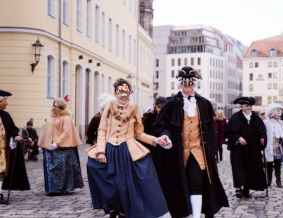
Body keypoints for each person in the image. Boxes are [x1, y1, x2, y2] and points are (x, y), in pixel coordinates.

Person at [87, 78, 171, 218]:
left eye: (127, 92)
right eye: (120, 91)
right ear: (115, 92)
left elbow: (139, 133)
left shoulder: (134, 108)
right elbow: (101, 130)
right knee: (94, 167)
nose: (123, 95)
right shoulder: (109, 106)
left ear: (130, 92)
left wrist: (156, 140)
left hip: (128, 150)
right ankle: (113, 207)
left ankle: (126, 211)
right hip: (110, 149)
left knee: (129, 183)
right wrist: (101, 151)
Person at [154, 66, 228, 218]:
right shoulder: (170, 104)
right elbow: (161, 126)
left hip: (198, 151)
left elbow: (211, 130)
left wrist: (212, 151)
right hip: (177, 153)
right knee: (178, 184)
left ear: (194, 84)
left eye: (190, 84)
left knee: (197, 182)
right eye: (185, 85)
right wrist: (165, 135)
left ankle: (196, 215)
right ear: (180, 84)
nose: (188, 88)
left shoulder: (204, 104)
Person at [38, 98, 84, 196]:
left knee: (62, 169)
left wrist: (57, 143)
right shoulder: (52, 117)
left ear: (61, 108)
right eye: (53, 106)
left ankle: (62, 189)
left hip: (63, 147)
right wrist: (43, 143)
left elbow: (66, 132)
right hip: (49, 147)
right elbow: (46, 130)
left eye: (56, 106)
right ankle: (52, 189)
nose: (53, 108)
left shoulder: (66, 118)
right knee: (51, 169)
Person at [226, 97, 267, 198]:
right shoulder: (235, 118)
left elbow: (262, 130)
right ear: (242, 106)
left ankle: (247, 188)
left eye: (250, 106)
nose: (248, 107)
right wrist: (238, 138)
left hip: (253, 149)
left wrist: (262, 137)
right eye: (246, 106)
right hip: (239, 150)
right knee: (239, 169)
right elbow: (229, 132)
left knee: (251, 169)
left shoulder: (256, 118)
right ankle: (238, 188)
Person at [0, 90, 30, 203]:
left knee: (2, 172)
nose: (7, 104)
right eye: (5, 101)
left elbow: (12, 128)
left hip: (3, 150)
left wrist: (16, 135)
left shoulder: (5, 115)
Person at [264, 103, 283, 188]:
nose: (279, 113)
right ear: (272, 112)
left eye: (280, 111)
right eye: (277, 111)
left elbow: (282, 135)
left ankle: (278, 180)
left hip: (278, 146)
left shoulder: (281, 122)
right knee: (269, 164)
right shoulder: (266, 122)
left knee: (278, 164)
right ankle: (268, 180)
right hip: (269, 146)